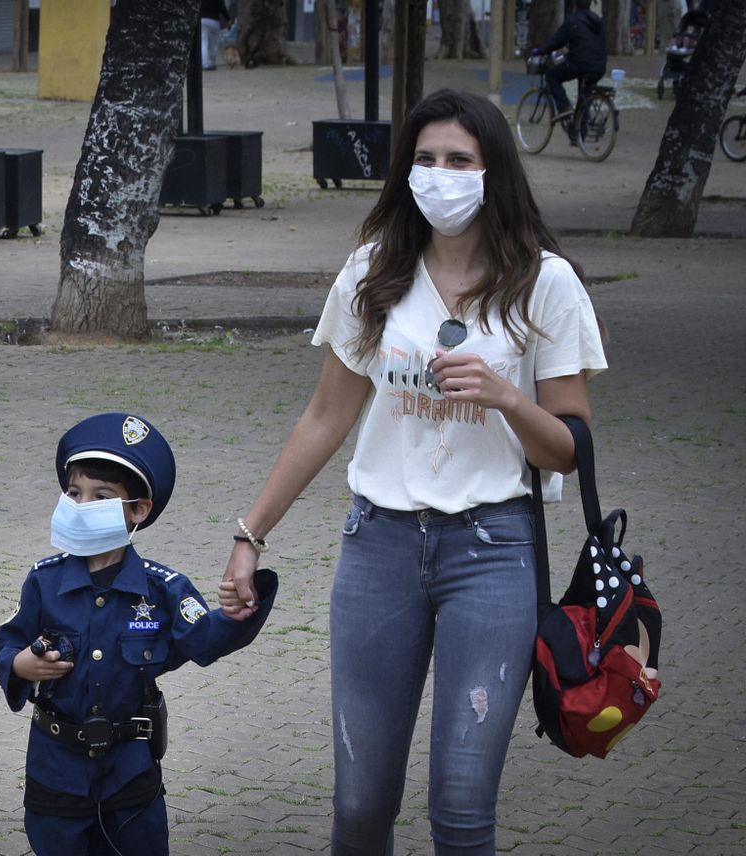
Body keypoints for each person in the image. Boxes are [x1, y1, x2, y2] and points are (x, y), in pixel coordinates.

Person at [217, 88, 605, 855]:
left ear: (494, 172)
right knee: (361, 803)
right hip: (378, 549)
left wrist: (502, 396)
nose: (439, 174)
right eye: (424, 160)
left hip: (493, 552)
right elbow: (325, 417)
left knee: (461, 808)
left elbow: (570, 445)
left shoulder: (545, 282)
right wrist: (249, 533)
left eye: (459, 159)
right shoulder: (375, 269)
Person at [0, 413, 278, 856]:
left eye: (100, 496)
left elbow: (202, 640)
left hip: (129, 776)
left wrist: (240, 611)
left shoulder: (163, 588)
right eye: (73, 493)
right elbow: (7, 643)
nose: (80, 504)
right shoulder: (43, 581)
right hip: (56, 772)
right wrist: (20, 665)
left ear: (139, 510)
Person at [537, 0, 608, 133]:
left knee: (552, 76)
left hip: (580, 63)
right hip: (599, 65)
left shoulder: (573, 21)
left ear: (575, 4)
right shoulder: (598, 21)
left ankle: (564, 107)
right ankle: (579, 133)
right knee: (585, 94)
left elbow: (557, 41)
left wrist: (540, 51)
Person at [200, 0, 233, 69]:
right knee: (214, 44)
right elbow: (223, 8)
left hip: (203, 20)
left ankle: (205, 63)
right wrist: (228, 19)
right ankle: (212, 63)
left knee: (204, 43)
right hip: (214, 21)